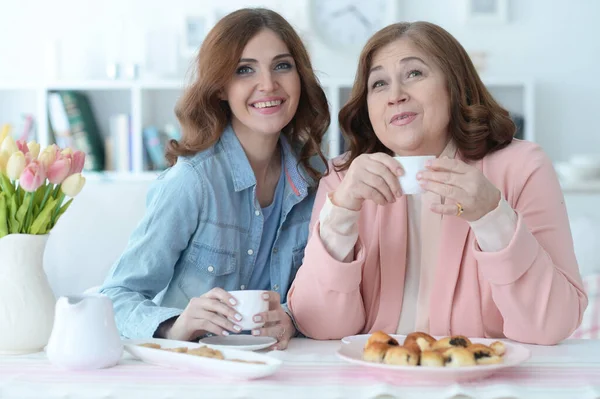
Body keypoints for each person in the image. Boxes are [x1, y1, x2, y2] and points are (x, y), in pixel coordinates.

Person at [287, 21, 587, 345]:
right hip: (375, 381)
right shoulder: (344, 179)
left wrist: (493, 215)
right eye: (379, 84)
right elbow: (319, 324)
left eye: (414, 74)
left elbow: (552, 325)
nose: (396, 96)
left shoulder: (522, 166)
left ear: (454, 84)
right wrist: (342, 214)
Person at [100, 8, 330, 350]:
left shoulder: (315, 178)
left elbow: (317, 292)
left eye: (282, 65)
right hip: (194, 370)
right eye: (244, 69)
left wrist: (290, 318)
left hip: (280, 367)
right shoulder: (192, 182)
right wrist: (174, 327)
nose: (268, 84)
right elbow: (116, 297)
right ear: (221, 87)